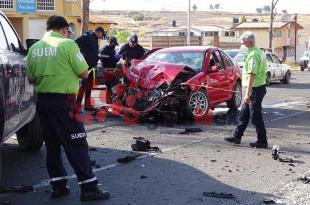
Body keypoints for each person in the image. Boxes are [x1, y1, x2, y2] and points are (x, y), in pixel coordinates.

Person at [26, 15, 110, 201]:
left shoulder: (34, 49)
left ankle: (58, 186)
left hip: (43, 103)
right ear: (64, 30)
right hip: (65, 102)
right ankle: (89, 188)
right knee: (77, 143)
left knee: (52, 145)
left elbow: (31, 79)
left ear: (48, 29)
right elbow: (83, 72)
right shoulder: (68, 45)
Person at [224, 31, 268, 148]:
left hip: (255, 88)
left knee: (255, 116)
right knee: (244, 114)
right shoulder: (256, 52)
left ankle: (262, 141)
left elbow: (252, 75)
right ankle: (237, 137)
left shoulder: (254, 54)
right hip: (256, 88)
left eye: (242, 42)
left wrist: (247, 94)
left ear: (249, 42)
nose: (241, 44)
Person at [75, 26, 106, 111]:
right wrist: (80, 55)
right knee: (83, 85)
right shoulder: (87, 36)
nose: (101, 37)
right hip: (86, 66)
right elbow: (75, 43)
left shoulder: (95, 39)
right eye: (101, 35)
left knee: (89, 86)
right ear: (98, 32)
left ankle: (87, 104)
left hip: (92, 66)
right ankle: (77, 105)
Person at [99, 36, 122, 102]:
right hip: (107, 70)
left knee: (113, 85)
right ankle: (108, 100)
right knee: (108, 86)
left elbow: (114, 59)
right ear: (110, 43)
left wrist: (119, 56)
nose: (114, 46)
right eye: (114, 44)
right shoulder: (104, 50)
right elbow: (104, 60)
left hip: (113, 70)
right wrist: (115, 58)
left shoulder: (113, 50)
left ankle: (112, 100)